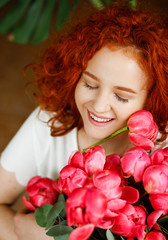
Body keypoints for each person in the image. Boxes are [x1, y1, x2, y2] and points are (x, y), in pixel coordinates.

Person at [0, 2, 168, 240]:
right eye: (89, 84)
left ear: (151, 100)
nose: (98, 106)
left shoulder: (164, 150)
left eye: (121, 96)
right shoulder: (49, 121)